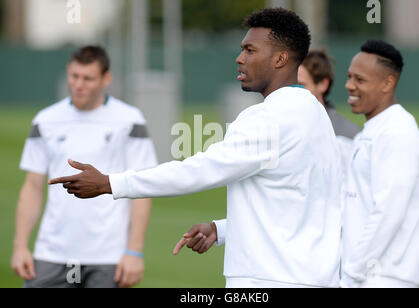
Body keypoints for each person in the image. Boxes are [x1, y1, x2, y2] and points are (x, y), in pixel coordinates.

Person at [50, 8, 343, 288]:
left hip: (267, 279)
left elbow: (202, 169)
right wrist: (222, 230)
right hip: (315, 277)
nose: (240, 58)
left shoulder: (267, 117)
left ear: (280, 58)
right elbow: (301, 203)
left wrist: (110, 183)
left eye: (250, 50)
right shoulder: (316, 114)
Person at [178, 50, 363, 256]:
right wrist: (219, 230)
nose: (294, 92)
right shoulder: (279, 130)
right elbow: (282, 208)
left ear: (323, 84)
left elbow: (345, 210)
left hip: (331, 264)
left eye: (302, 85)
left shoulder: (348, 138)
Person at [11, 46, 158, 288]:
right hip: (51, 253)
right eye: (74, 76)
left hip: (107, 256)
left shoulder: (130, 120)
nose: (79, 84)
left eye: (88, 78)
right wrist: (19, 246)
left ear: (106, 79)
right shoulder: (45, 120)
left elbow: (139, 189)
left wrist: (134, 251)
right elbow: (32, 187)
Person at [341, 40, 419, 288]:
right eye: (349, 77)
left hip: (384, 279)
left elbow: (388, 213)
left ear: (388, 83)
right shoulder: (375, 130)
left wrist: (350, 276)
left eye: (360, 79)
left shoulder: (397, 132)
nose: (349, 85)